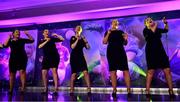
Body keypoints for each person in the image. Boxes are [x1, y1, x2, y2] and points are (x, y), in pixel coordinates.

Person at [143, 17, 174, 97]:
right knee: (151, 72)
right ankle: (147, 91)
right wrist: (154, 26)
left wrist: (165, 23)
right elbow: (152, 33)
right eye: (148, 21)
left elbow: (166, 30)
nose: (151, 21)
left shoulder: (157, 29)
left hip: (160, 51)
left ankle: (171, 91)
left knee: (167, 70)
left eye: (151, 20)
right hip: (151, 53)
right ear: (146, 24)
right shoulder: (145, 30)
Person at [103, 19, 131, 97]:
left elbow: (125, 44)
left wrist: (126, 39)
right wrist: (108, 34)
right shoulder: (108, 31)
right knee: (113, 72)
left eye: (116, 22)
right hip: (111, 53)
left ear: (117, 24)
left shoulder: (121, 32)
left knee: (125, 71)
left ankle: (128, 90)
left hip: (121, 52)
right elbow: (104, 42)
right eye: (113, 22)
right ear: (111, 23)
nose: (115, 23)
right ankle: (114, 90)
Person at [2, 30, 34, 94]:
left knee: (22, 72)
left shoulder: (22, 40)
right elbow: (4, 45)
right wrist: (9, 37)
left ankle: (23, 89)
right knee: (12, 74)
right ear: (13, 34)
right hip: (13, 59)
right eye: (16, 32)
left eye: (19, 32)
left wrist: (27, 34)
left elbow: (32, 40)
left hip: (22, 58)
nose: (18, 33)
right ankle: (10, 89)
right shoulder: (10, 40)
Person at [38, 29, 64, 94]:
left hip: (54, 57)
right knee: (44, 72)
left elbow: (62, 39)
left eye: (48, 31)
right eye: (45, 31)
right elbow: (39, 46)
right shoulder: (41, 40)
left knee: (54, 71)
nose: (47, 32)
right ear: (43, 33)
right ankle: (45, 88)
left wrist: (56, 35)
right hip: (46, 58)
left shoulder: (52, 39)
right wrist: (46, 41)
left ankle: (56, 89)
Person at [70, 25, 91, 95]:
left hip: (81, 57)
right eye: (77, 28)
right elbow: (72, 47)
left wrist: (85, 40)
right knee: (74, 74)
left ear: (80, 30)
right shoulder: (72, 38)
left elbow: (88, 47)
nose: (78, 29)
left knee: (85, 72)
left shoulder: (82, 38)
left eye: (79, 28)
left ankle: (89, 89)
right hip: (74, 58)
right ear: (75, 30)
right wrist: (77, 40)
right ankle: (71, 90)